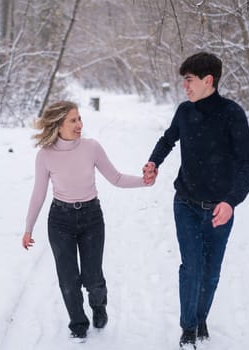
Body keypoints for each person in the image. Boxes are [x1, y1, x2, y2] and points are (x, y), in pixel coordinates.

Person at [143, 52, 249, 349]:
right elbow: (168, 139)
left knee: (212, 272)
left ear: (209, 80)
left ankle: (201, 315)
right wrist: (154, 162)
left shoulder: (232, 115)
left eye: (189, 80)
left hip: (220, 210)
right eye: (184, 81)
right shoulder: (184, 112)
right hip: (186, 204)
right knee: (192, 267)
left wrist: (231, 202)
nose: (185, 87)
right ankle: (189, 327)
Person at [22, 100, 152, 342]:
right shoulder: (45, 155)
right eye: (73, 120)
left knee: (92, 276)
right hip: (60, 221)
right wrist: (28, 228)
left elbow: (116, 178)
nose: (79, 124)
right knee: (68, 279)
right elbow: (38, 193)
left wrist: (144, 182)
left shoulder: (91, 148)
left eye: (79, 118)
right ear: (58, 125)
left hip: (91, 218)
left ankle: (98, 305)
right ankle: (78, 323)